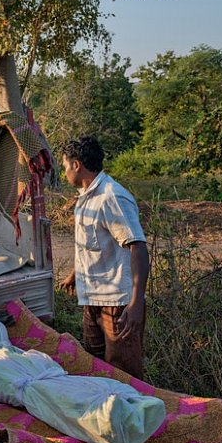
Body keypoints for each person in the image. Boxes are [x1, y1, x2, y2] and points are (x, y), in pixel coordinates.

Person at [59, 136, 149, 379]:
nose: (64, 172)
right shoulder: (86, 197)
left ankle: (132, 416)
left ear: (77, 165)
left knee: (123, 374)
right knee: (96, 368)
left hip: (117, 302)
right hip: (93, 298)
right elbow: (92, 244)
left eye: (65, 166)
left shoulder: (112, 196)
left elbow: (137, 246)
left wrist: (136, 302)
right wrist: (74, 275)